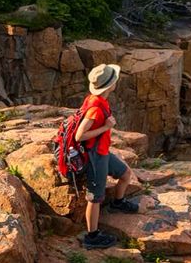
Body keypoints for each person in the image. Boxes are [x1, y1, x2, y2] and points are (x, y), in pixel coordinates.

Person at [75, 63, 138, 249]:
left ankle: (118, 203)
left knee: (125, 174)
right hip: (95, 156)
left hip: (102, 151)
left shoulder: (98, 99)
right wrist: (106, 127)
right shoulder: (95, 108)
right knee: (95, 197)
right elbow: (80, 136)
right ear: (110, 85)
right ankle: (92, 236)